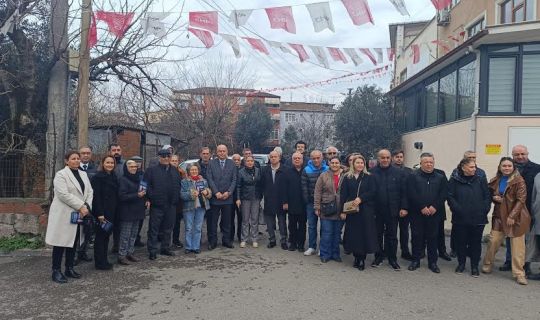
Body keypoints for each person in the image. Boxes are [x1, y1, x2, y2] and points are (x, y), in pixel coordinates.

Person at [46, 151, 93, 283]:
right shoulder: (61, 175)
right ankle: (56, 271)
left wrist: (87, 207)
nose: (77, 161)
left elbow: (90, 191)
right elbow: (63, 194)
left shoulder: (83, 174)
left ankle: (69, 268)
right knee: (60, 243)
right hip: (64, 214)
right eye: (73, 159)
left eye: (78, 159)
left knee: (73, 242)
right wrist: (81, 206)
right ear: (67, 161)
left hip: (79, 214)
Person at [482, 157, 531, 285]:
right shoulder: (495, 180)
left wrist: (512, 216)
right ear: (500, 167)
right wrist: (494, 198)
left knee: (517, 248)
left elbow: (521, 200)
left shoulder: (519, 181)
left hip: (517, 218)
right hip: (499, 216)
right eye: (504, 166)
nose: (507, 168)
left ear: (513, 167)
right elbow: (490, 195)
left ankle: (519, 273)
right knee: (493, 241)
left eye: (509, 166)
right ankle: (487, 264)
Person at [447, 158, 491, 277]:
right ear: (463, 168)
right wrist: (457, 209)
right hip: (460, 217)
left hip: (478, 217)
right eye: (471, 167)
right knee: (461, 242)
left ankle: (474, 267)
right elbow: (450, 196)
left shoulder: (480, 179)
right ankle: (461, 264)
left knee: (475, 243)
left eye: (475, 167)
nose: (474, 169)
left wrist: (484, 209)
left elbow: (487, 196)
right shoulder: (455, 180)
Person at [500, 145, 540, 273]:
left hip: (527, 209)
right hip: (510, 209)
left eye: (523, 154)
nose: (520, 156)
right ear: (512, 155)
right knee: (509, 235)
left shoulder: (536, 169)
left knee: (526, 239)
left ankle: (525, 265)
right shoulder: (509, 168)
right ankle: (509, 261)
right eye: (517, 154)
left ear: (527, 153)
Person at [407, 152, 447, 273]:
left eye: (431, 162)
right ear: (421, 163)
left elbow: (444, 193)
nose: (429, 164)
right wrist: (422, 206)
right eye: (426, 162)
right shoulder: (413, 176)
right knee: (416, 237)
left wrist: (434, 206)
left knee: (433, 238)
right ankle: (415, 260)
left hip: (434, 213)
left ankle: (433, 262)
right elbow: (411, 193)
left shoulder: (440, 177)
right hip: (417, 213)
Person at [370, 149, 408, 270]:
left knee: (392, 236)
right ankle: (378, 257)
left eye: (387, 157)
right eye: (382, 158)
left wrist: (404, 207)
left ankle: (392, 259)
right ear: (378, 159)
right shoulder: (372, 173)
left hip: (393, 209)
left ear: (390, 158)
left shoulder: (398, 172)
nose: (385, 160)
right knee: (377, 234)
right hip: (377, 210)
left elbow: (404, 192)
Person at [340, 155, 379, 270]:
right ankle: (356, 257)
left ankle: (362, 259)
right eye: (358, 163)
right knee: (354, 234)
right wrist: (343, 211)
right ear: (353, 164)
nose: (360, 165)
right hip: (352, 210)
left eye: (362, 163)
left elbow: (373, 192)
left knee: (364, 234)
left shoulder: (369, 177)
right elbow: (343, 194)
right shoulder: (347, 177)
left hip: (365, 210)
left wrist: (361, 198)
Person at [144, 148, 182, 260]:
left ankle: (165, 248)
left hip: (171, 205)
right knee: (154, 229)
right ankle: (152, 250)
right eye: (163, 156)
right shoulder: (151, 170)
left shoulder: (175, 170)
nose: (166, 158)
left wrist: (175, 198)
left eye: (168, 156)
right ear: (159, 157)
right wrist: (151, 197)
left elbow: (178, 185)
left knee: (168, 228)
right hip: (157, 205)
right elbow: (145, 186)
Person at [91, 155, 119, 270]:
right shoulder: (98, 177)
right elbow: (96, 196)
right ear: (103, 163)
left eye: (112, 163)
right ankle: (99, 262)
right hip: (102, 212)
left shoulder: (113, 176)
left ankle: (104, 260)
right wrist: (99, 213)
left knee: (106, 237)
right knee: (100, 238)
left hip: (112, 211)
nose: (110, 165)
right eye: (107, 162)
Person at [207, 144, 237, 249]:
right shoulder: (211, 163)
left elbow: (234, 180)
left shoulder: (232, 163)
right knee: (213, 222)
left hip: (227, 198)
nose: (222, 153)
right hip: (215, 198)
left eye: (224, 151)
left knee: (227, 222)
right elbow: (209, 179)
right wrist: (216, 192)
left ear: (227, 152)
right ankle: (213, 241)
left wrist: (228, 192)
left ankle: (226, 240)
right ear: (217, 152)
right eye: (220, 151)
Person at [314, 157, 344, 263]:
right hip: (326, 208)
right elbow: (317, 192)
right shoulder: (323, 175)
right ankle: (325, 254)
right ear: (329, 164)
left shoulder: (345, 175)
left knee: (337, 233)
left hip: (341, 209)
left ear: (340, 164)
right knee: (327, 233)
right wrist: (317, 207)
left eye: (337, 163)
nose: (335, 165)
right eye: (333, 163)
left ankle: (335, 254)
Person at [117, 160, 147, 265]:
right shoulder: (123, 180)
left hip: (138, 210)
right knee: (125, 235)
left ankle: (130, 252)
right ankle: (122, 255)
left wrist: (146, 198)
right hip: (127, 212)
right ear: (126, 168)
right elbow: (122, 196)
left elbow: (143, 191)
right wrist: (136, 195)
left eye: (135, 166)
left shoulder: (139, 179)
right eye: (131, 167)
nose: (134, 168)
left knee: (134, 234)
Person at [302, 150, 329, 255]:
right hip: (310, 202)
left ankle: (322, 248)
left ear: (322, 158)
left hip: (325, 202)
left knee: (324, 226)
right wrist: (307, 200)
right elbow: (304, 187)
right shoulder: (307, 169)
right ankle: (312, 246)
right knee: (312, 225)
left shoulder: (328, 169)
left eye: (318, 158)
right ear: (310, 159)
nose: (316, 160)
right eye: (314, 158)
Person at [181, 163, 212, 254]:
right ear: (189, 171)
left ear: (198, 170)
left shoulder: (204, 181)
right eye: (192, 170)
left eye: (195, 170)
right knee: (189, 228)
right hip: (189, 207)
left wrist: (207, 192)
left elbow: (209, 192)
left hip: (201, 207)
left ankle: (196, 246)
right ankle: (188, 246)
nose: (194, 171)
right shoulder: (184, 181)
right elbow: (182, 194)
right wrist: (191, 194)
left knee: (198, 228)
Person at [261, 151, 288, 249]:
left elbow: (288, 187)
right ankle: (272, 240)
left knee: (282, 222)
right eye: (271, 157)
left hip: (281, 200)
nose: (273, 158)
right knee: (270, 222)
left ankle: (283, 240)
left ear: (279, 158)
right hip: (268, 200)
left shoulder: (285, 170)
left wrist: (286, 201)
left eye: (275, 157)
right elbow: (261, 185)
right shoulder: (265, 170)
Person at [75, 146, 97, 264]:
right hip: (76, 205)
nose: (86, 155)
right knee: (76, 231)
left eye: (88, 153)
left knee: (88, 230)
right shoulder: (73, 168)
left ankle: (83, 252)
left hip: (90, 205)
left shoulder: (95, 168)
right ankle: (74, 255)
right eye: (83, 153)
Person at [392, 150, 414, 261]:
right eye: (397, 157)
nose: (399, 158)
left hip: (405, 206)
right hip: (391, 206)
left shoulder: (409, 171)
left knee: (404, 231)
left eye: (401, 157)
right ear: (393, 158)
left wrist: (405, 207)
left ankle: (405, 251)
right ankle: (390, 252)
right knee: (391, 232)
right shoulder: (389, 170)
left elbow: (409, 191)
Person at [236, 155, 262, 248]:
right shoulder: (241, 172)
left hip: (256, 197)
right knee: (245, 220)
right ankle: (244, 239)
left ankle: (255, 238)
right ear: (245, 162)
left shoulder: (258, 171)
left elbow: (261, 184)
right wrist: (238, 198)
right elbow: (238, 186)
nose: (250, 162)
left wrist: (261, 196)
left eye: (251, 161)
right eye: (248, 161)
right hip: (245, 198)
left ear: (254, 162)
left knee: (255, 219)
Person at [283, 152, 306, 252]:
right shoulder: (287, 172)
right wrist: (285, 202)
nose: (297, 160)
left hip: (303, 203)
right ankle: (292, 243)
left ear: (302, 160)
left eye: (299, 158)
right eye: (295, 158)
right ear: (292, 160)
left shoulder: (306, 171)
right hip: (291, 203)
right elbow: (283, 189)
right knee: (292, 225)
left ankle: (301, 244)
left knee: (302, 225)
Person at [108, 143, 124, 254]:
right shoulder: (106, 164)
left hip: (122, 199)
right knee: (107, 225)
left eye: (118, 149)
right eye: (114, 150)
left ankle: (117, 245)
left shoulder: (125, 164)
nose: (116, 152)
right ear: (110, 152)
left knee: (119, 225)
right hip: (108, 200)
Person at [170, 154, 186, 249]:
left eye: (176, 161)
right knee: (168, 223)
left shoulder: (181, 172)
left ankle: (176, 240)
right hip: (168, 202)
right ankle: (166, 242)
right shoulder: (166, 171)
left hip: (179, 202)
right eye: (173, 160)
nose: (174, 162)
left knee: (177, 222)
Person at [230, 153, 243, 244]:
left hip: (241, 198)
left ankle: (240, 236)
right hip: (230, 197)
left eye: (238, 160)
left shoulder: (243, 170)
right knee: (230, 218)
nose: (237, 161)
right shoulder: (229, 170)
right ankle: (230, 236)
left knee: (241, 218)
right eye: (235, 160)